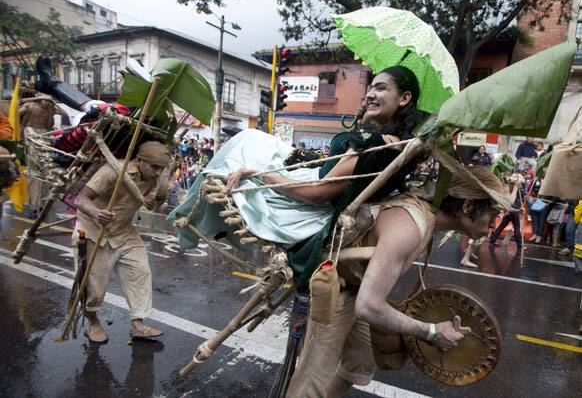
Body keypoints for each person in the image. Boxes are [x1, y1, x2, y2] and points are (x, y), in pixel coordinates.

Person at [170, 66, 426, 284]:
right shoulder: (392, 143)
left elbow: (318, 192)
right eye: (370, 87)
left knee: (245, 144)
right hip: (306, 178)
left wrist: (262, 176)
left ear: (404, 98)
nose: (370, 93)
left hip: (307, 198)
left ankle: (186, 215)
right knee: (248, 145)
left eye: (380, 88)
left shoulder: (374, 142)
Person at [286, 166, 510, 397]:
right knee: (311, 385)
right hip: (334, 291)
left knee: (361, 361)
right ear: (467, 206)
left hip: (356, 287)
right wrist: (431, 332)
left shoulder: (427, 219)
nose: (494, 224)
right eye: (493, 214)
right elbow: (368, 306)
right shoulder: (409, 229)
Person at [74, 141, 170, 343]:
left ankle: (138, 325)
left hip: (125, 231)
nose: (157, 172)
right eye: (154, 167)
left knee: (140, 272)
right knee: (93, 286)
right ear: (139, 161)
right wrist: (97, 213)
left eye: (161, 168)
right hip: (92, 231)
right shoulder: (113, 170)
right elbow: (81, 200)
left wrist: (155, 200)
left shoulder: (157, 178)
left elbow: (159, 202)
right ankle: (93, 322)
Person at [489, 172, 525, 250]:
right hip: (511, 210)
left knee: (502, 225)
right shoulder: (509, 188)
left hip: (511, 210)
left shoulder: (517, 189)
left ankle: (492, 239)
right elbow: (510, 201)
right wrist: (518, 209)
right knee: (516, 228)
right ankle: (520, 245)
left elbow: (518, 201)